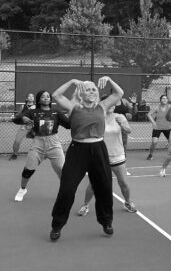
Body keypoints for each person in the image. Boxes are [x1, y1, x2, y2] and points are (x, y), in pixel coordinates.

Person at [49, 76, 124, 241]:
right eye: (88, 89)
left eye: (94, 89)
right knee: (67, 188)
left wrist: (110, 80)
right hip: (78, 151)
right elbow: (56, 95)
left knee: (104, 187)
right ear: (81, 93)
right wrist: (72, 82)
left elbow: (119, 93)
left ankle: (106, 221)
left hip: (98, 149)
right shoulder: (74, 107)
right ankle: (57, 225)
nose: (91, 91)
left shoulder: (102, 107)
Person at [78, 95, 137, 215]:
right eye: (108, 103)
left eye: (113, 103)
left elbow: (128, 130)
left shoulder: (119, 117)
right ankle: (85, 205)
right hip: (100, 157)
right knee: (93, 185)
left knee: (123, 183)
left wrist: (122, 125)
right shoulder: (97, 118)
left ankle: (128, 202)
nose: (111, 105)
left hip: (118, 156)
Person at [13, 90, 70, 202]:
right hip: (38, 143)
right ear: (39, 99)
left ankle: (64, 192)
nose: (46, 98)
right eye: (43, 96)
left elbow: (69, 125)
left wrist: (73, 113)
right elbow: (16, 119)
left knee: (63, 170)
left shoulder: (56, 112)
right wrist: (23, 118)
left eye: (48, 96)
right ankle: (22, 189)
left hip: (54, 144)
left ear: (50, 99)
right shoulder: (33, 112)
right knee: (28, 170)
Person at [10, 93, 36, 160]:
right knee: (17, 141)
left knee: (40, 141)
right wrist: (14, 117)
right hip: (24, 126)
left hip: (34, 126)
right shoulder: (23, 106)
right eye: (29, 96)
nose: (31, 97)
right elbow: (19, 114)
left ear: (34, 99)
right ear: (26, 99)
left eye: (32, 96)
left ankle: (42, 154)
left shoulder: (36, 107)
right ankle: (15, 154)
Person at [146, 95, 171, 160]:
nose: (165, 99)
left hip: (167, 127)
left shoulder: (169, 107)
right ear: (160, 100)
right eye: (163, 98)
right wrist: (153, 122)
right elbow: (149, 114)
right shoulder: (157, 107)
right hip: (157, 127)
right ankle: (150, 154)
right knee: (154, 142)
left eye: (166, 98)